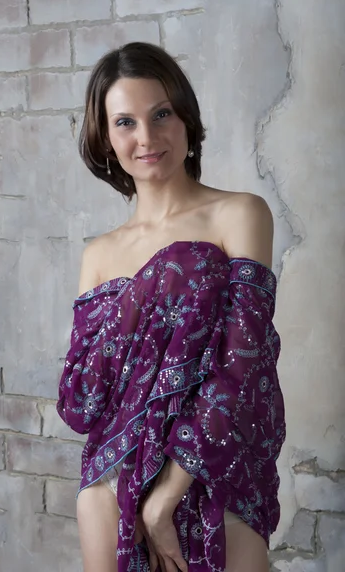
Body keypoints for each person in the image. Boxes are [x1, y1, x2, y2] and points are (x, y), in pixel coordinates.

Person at [57, 42, 285, 572]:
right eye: (125, 122)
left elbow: (242, 364)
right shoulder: (99, 254)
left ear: (185, 115)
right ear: (106, 140)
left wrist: (164, 499)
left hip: (215, 471)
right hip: (112, 484)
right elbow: (84, 399)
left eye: (160, 114)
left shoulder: (239, 215)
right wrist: (147, 296)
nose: (147, 137)